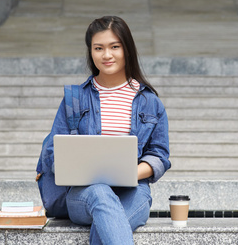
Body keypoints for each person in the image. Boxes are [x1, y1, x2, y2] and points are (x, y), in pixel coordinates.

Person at [47, 16, 171, 244]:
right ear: (90, 52)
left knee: (109, 223)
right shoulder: (75, 100)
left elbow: (159, 156)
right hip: (84, 194)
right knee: (101, 193)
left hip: (133, 192)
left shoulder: (149, 102)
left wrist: (128, 173)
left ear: (127, 49)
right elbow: (55, 153)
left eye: (115, 46)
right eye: (98, 48)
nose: (106, 55)